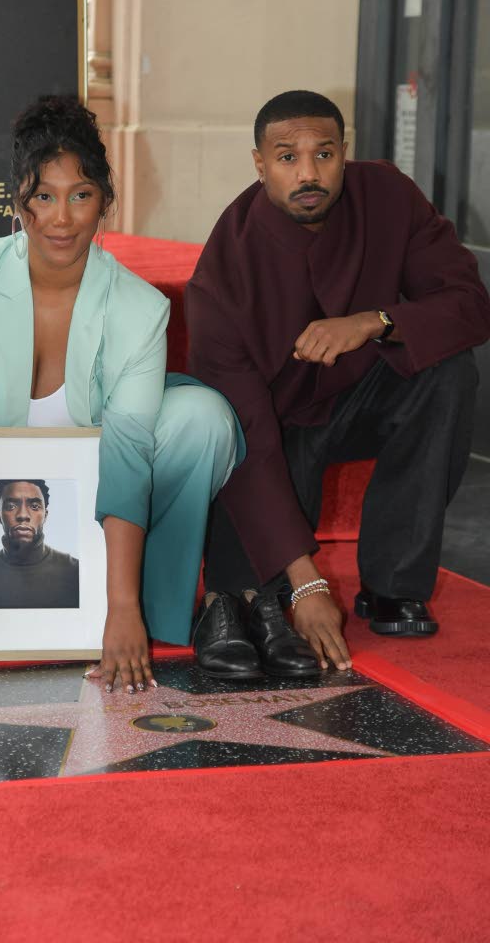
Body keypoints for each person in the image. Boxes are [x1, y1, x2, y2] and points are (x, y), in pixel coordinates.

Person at [0, 94, 246, 691]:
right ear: (18, 203)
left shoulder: (140, 307)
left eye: (80, 195)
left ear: (105, 203)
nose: (61, 219)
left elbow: (129, 454)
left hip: (95, 486)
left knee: (201, 418)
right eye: (44, 196)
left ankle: (150, 603)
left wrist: (121, 609)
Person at [185, 89, 490, 677]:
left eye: (323, 155)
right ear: (258, 164)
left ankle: (393, 585)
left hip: (362, 395)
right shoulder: (226, 265)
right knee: (255, 585)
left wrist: (375, 322)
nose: (308, 174)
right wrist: (305, 581)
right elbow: (243, 425)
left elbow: (471, 305)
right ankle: (244, 598)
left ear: (344, 153)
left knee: (448, 370)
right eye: (286, 157)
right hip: (275, 428)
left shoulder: (388, 196)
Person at [0, 478, 80, 609]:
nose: (23, 515)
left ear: (45, 515)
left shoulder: (75, 572)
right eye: (11, 506)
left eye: (34, 506)